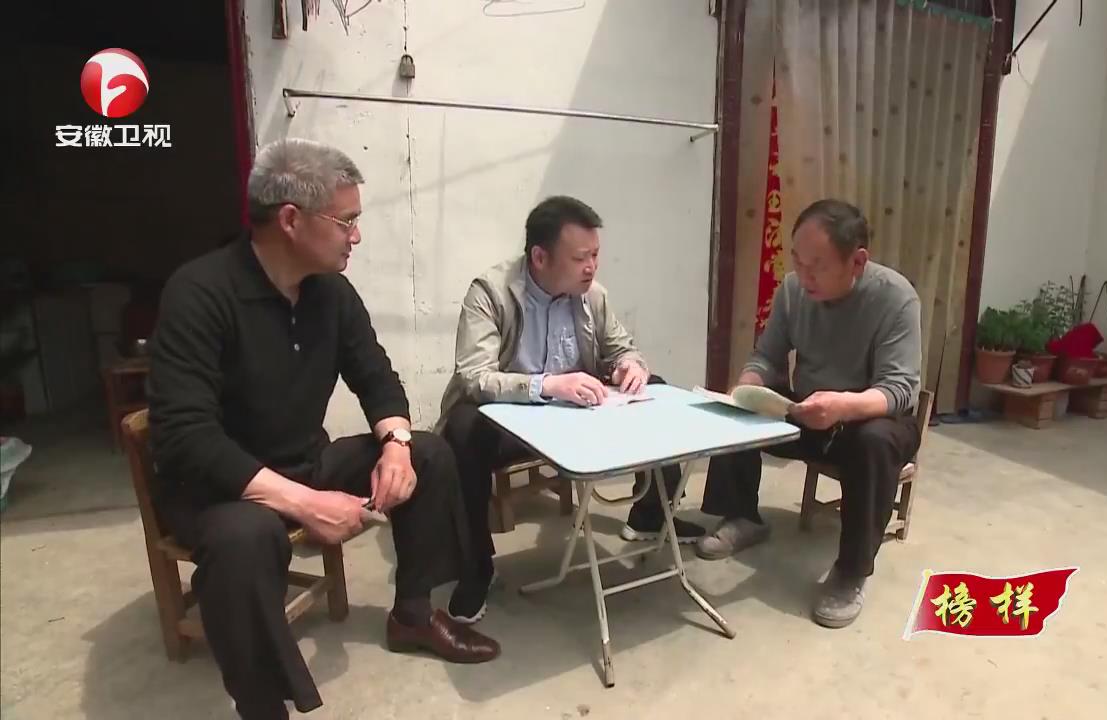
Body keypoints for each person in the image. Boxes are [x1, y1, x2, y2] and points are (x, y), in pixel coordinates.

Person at [147, 138, 499, 720]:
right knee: (244, 540)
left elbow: (377, 378)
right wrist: (307, 504)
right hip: (220, 490)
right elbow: (187, 436)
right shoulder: (200, 293)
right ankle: (262, 705)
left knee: (431, 455)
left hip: (304, 461)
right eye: (346, 221)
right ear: (291, 220)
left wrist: (396, 446)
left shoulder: (330, 292)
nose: (355, 236)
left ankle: (413, 614)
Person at [436, 195, 706, 588]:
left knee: (654, 387)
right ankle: (476, 562)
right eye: (581, 258)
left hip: (574, 413)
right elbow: (473, 377)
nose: (592, 266)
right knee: (463, 428)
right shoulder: (490, 293)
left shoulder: (593, 294)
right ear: (540, 257)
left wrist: (629, 366)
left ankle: (650, 514)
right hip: (514, 416)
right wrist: (546, 385)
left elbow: (622, 348)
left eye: (595, 255)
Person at [695, 198, 922, 629]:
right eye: (797, 261)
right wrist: (748, 386)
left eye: (817, 266)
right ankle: (742, 515)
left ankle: (851, 572)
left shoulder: (895, 299)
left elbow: (898, 389)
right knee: (737, 407)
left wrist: (843, 405)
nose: (804, 275)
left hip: (871, 418)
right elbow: (767, 355)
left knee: (874, 440)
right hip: (810, 408)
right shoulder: (793, 290)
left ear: (857, 261)